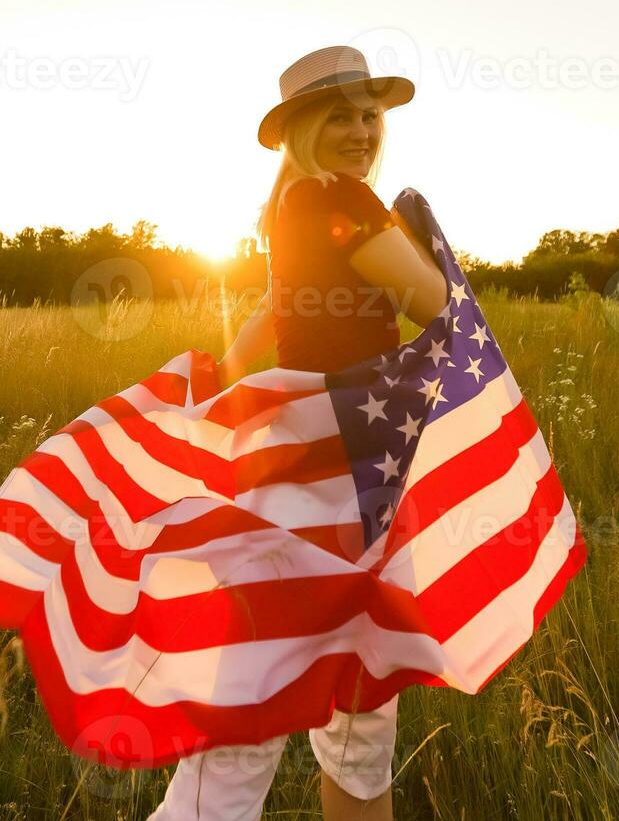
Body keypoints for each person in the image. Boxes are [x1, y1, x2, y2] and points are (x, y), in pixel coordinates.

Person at [146, 45, 447, 821]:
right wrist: (435, 254)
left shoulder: (289, 207)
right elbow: (430, 302)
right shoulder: (339, 196)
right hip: (343, 460)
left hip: (337, 458)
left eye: (369, 114)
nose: (361, 129)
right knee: (288, 682)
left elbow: (276, 307)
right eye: (340, 115)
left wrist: (227, 368)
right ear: (302, 127)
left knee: (341, 682)